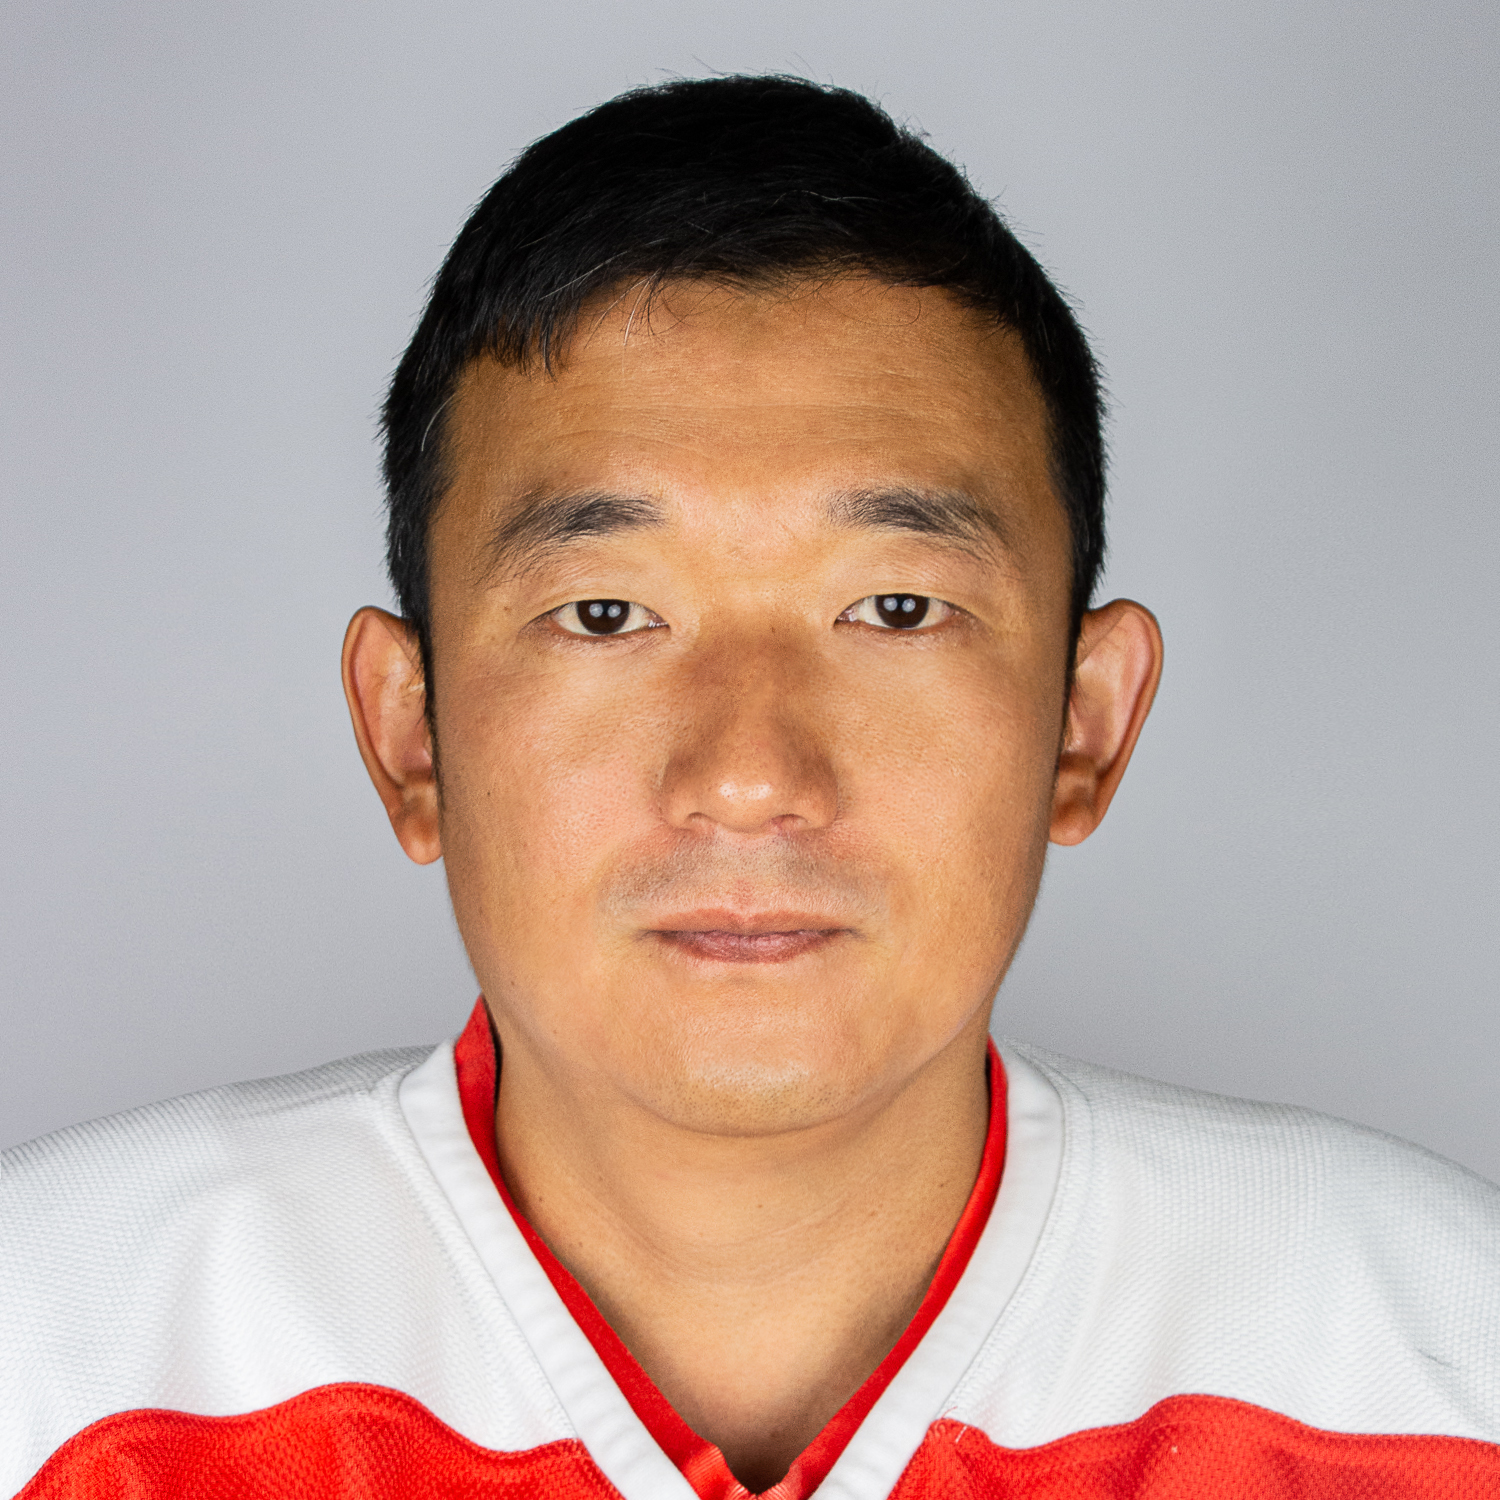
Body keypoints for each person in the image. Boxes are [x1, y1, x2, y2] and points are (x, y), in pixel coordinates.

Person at [3, 75, 1497, 1500]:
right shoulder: (59, 1358)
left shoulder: (1433, 1358)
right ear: (412, 737)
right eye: (604, 614)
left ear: (1083, 723)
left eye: (897, 609)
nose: (747, 775)